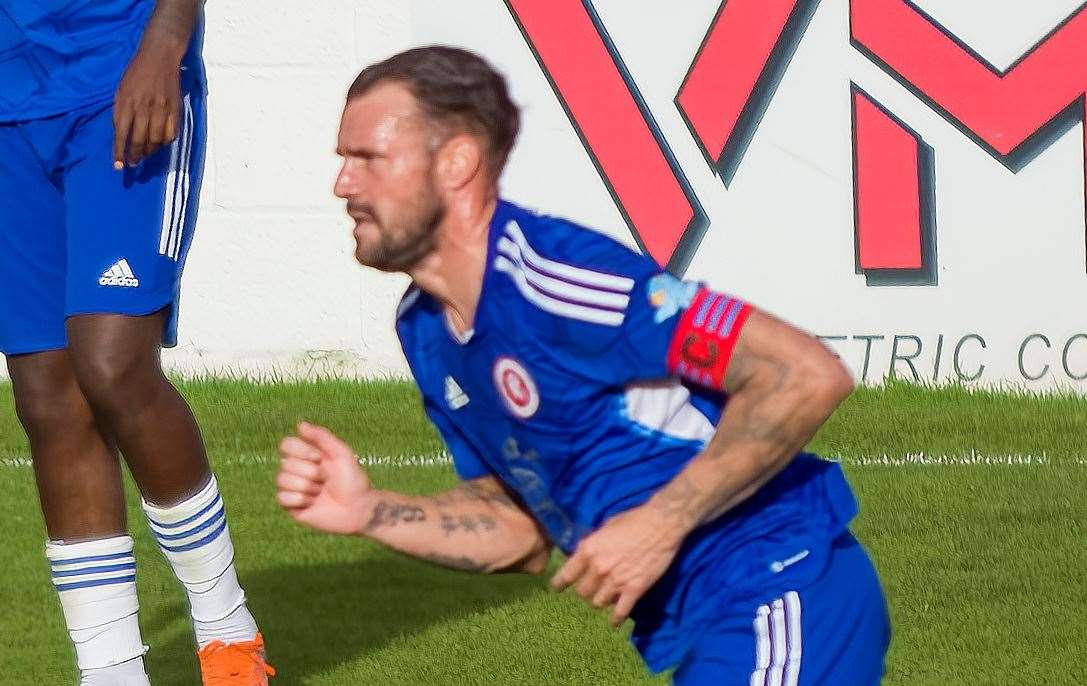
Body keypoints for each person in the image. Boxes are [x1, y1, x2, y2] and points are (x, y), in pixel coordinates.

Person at [276, 46, 890, 685]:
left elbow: (804, 373)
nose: (342, 184)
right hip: (717, 621)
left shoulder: (557, 279)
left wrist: (659, 524)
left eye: (367, 158)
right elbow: (518, 529)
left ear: (455, 162)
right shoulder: (425, 327)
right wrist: (369, 510)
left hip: (779, 588)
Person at [0, 2, 273, 684]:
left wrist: (167, 37)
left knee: (111, 363)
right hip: (10, 97)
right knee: (45, 397)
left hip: (122, 75)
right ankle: (111, 672)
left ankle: (225, 630)